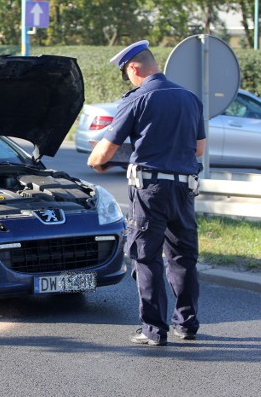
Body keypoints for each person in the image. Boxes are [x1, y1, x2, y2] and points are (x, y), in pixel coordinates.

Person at [87, 40, 206, 346]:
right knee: (183, 257)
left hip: (150, 191)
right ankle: (186, 325)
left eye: (127, 74)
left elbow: (105, 151)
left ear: (134, 68)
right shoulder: (190, 98)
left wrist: (96, 160)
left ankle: (154, 330)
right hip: (184, 188)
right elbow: (199, 149)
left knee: (146, 256)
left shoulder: (137, 99)